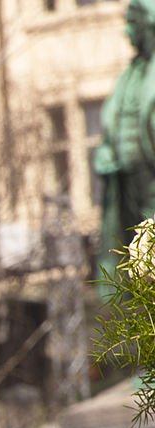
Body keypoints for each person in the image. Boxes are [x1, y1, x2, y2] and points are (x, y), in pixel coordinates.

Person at [96, 0, 155, 279]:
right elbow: (114, 122)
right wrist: (108, 150)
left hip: (152, 180)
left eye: (133, 23)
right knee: (134, 256)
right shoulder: (131, 74)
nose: (128, 32)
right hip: (129, 185)